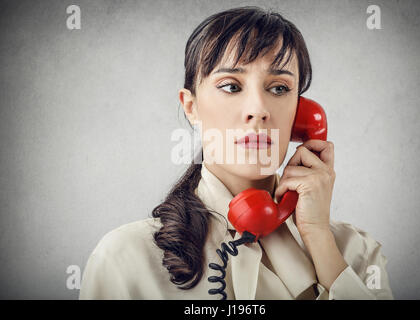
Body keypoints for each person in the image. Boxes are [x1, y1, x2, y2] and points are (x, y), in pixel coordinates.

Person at [79, 6, 394, 300]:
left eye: (279, 88)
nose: (258, 110)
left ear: (301, 114)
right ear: (191, 106)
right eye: (231, 86)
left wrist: (319, 240)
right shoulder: (124, 258)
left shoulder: (355, 253)